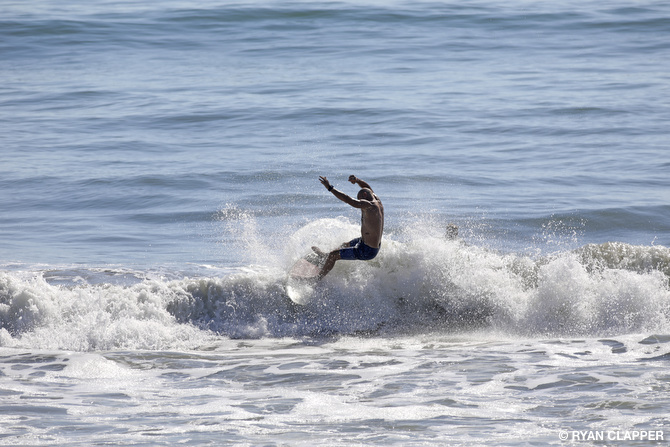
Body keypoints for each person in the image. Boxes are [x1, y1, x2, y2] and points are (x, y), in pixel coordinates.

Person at [313, 175, 384, 279]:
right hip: (368, 243)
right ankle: (324, 256)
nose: (361, 205)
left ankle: (317, 278)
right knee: (345, 244)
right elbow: (367, 188)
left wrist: (330, 188)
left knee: (333, 255)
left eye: (360, 200)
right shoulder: (377, 201)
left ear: (364, 195)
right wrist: (357, 180)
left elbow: (348, 199)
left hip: (367, 250)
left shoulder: (369, 205)